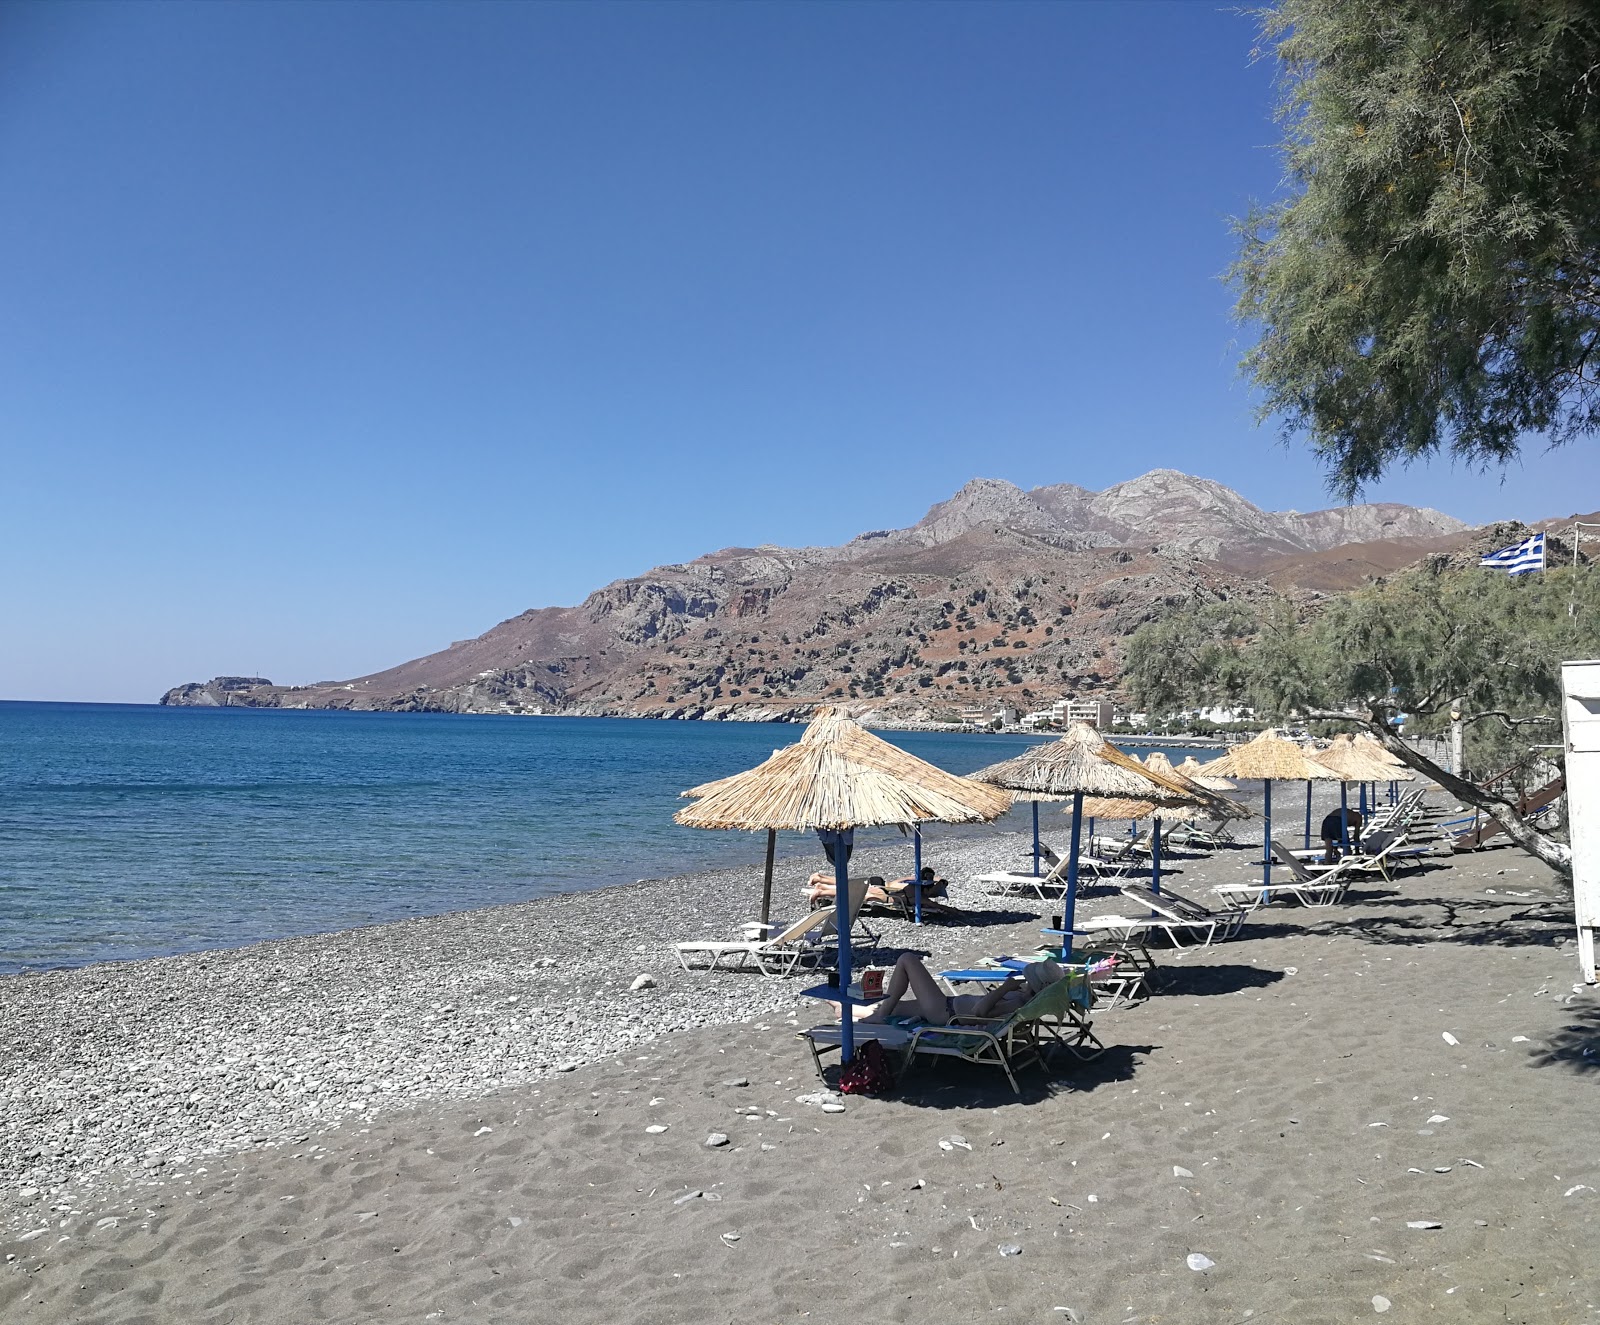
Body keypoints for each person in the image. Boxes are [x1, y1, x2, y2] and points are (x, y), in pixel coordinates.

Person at [857, 953, 1064, 1024]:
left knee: (907, 960)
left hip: (944, 1011)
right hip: (945, 1006)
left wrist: (1003, 989)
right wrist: (1008, 989)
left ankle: (881, 1017)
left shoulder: (1019, 1002)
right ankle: (843, 1008)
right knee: (895, 1007)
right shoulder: (1021, 996)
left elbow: (979, 1012)